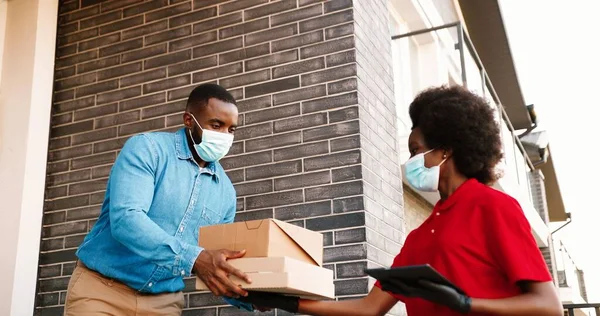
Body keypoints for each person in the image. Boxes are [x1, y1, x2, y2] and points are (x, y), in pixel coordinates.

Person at [235, 85, 563, 316]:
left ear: (446, 149)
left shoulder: (492, 207)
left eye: (416, 150)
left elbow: (549, 306)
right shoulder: (418, 238)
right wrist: (284, 301)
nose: (410, 161)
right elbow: (367, 308)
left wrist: (465, 304)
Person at [64, 84, 253, 315]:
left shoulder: (226, 193)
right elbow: (126, 220)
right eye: (216, 125)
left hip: (164, 304)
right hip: (103, 291)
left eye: (231, 129)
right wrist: (194, 258)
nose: (224, 136)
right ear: (188, 120)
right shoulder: (147, 149)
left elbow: (212, 265)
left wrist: (253, 297)